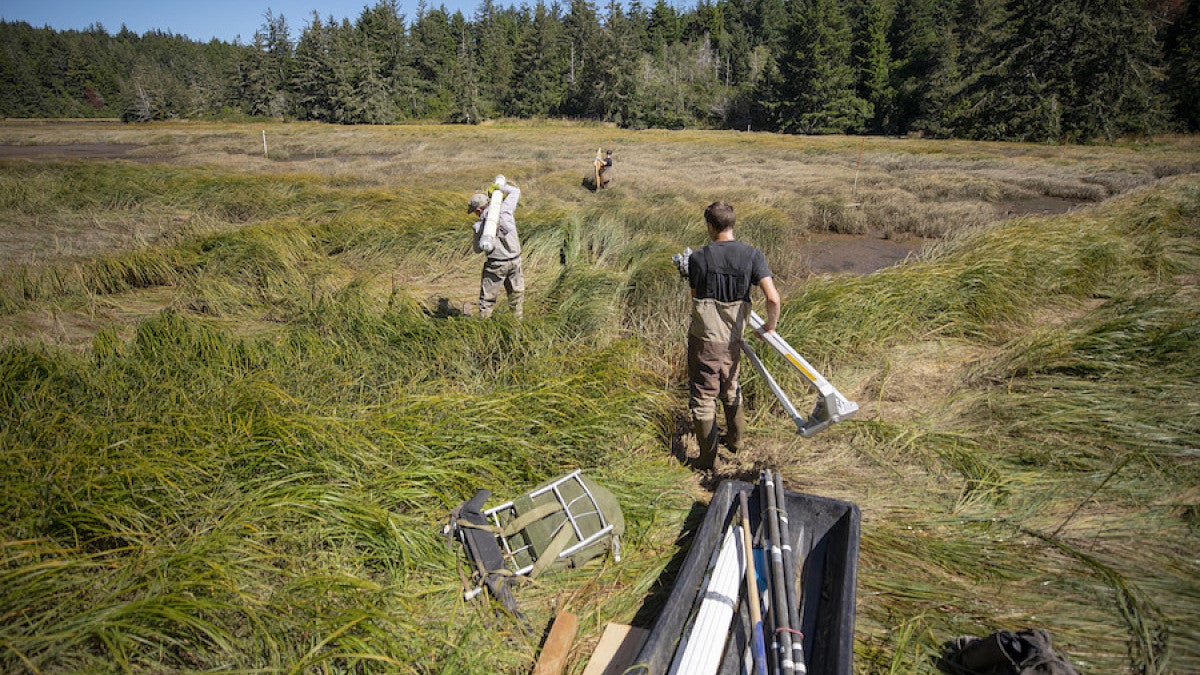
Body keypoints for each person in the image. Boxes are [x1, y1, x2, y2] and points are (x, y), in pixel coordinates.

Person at [685, 201, 780, 470]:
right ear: (731, 224)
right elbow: (772, 298)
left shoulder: (698, 257)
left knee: (704, 397)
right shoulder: (753, 255)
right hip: (733, 339)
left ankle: (706, 460)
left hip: (705, 339)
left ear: (710, 226)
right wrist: (769, 328)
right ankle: (735, 442)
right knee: (730, 387)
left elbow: (695, 298)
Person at [468, 175, 523, 318]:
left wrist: (477, 230)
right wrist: (499, 187)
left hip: (496, 265)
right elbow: (515, 191)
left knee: (487, 301)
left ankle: (484, 327)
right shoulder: (505, 210)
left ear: (478, 210)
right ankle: (517, 326)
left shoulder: (479, 226)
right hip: (515, 261)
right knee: (516, 299)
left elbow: (477, 249)